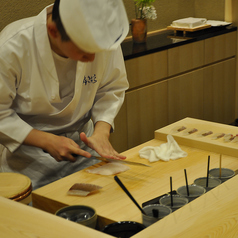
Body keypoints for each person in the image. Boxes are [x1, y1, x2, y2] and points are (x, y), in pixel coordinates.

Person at [0, 0, 129, 189]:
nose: (93, 58)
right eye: (84, 50)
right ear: (53, 31)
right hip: (28, 163)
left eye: (97, 51)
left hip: (85, 154)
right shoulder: (12, 46)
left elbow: (111, 88)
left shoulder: (102, 37)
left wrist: (101, 132)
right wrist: (46, 140)